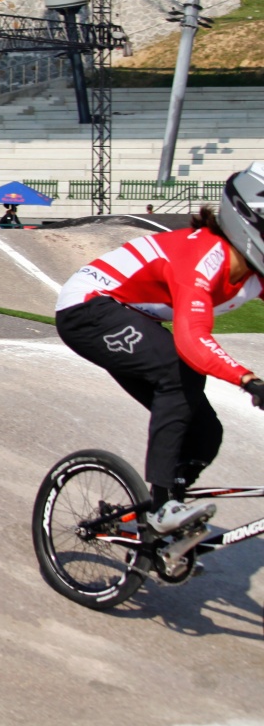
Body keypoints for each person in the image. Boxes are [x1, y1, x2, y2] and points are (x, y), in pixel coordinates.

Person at [54, 165, 264, 537]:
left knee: (204, 432)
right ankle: (164, 504)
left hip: (131, 317)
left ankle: (153, 524)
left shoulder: (250, 273)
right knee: (179, 370)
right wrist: (248, 381)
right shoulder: (203, 256)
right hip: (89, 307)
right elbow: (192, 340)